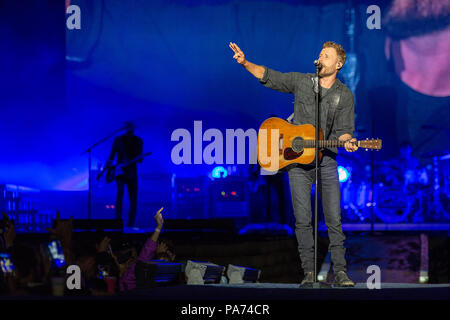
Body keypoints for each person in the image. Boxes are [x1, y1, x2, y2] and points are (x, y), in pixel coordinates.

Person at [229, 41, 357, 287]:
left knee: (333, 218)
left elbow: (343, 132)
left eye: (327, 56)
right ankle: (308, 273)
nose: (320, 58)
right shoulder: (302, 81)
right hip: (297, 164)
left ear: (338, 64)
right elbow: (271, 77)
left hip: (327, 162)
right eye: (319, 54)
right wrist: (245, 63)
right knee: (301, 220)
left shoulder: (344, 94)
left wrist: (349, 141)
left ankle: (340, 272)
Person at [119, 208, 175, 291]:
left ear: (173, 257)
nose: (164, 259)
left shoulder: (175, 280)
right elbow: (144, 257)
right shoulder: (132, 277)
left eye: (167, 255)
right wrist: (158, 228)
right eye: (162, 254)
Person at [106, 121, 143, 227]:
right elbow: (111, 156)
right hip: (120, 173)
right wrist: (108, 170)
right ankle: (118, 223)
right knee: (120, 198)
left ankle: (130, 225)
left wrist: (139, 157)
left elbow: (140, 159)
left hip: (132, 174)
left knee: (133, 200)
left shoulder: (138, 141)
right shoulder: (118, 140)